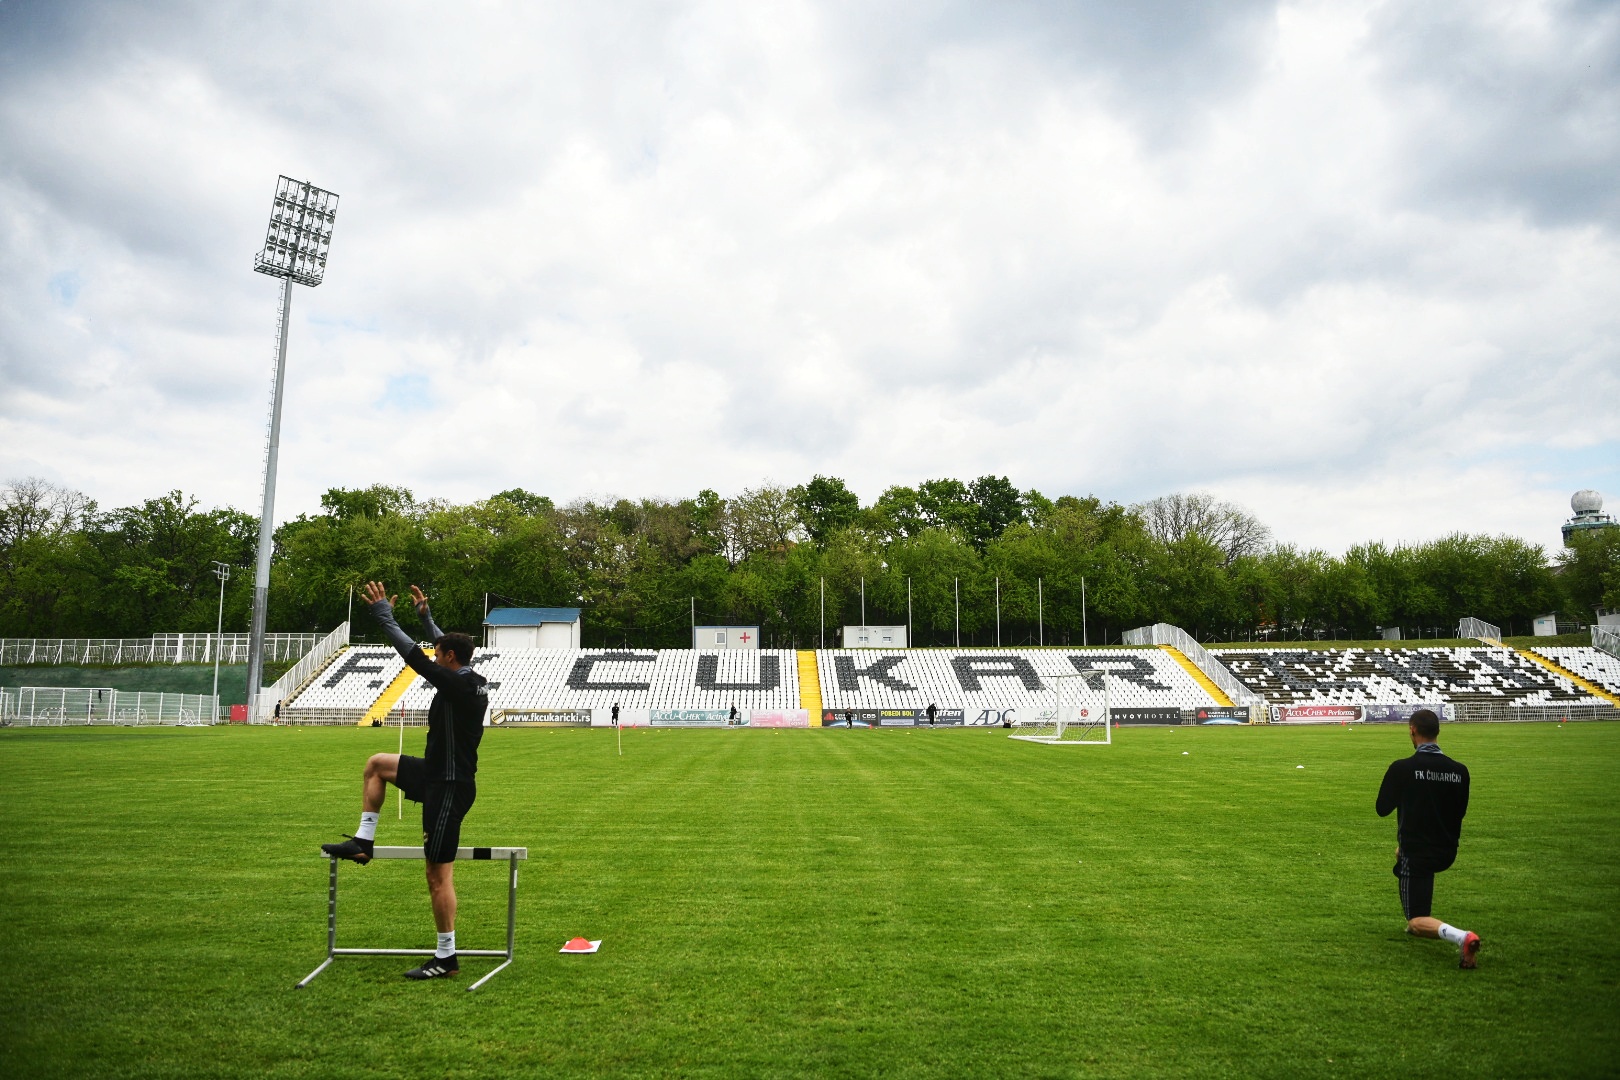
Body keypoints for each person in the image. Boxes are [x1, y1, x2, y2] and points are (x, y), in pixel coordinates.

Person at [321, 581, 490, 980]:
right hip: (434, 772)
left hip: (450, 786)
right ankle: (364, 841)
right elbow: (439, 647)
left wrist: (385, 619)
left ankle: (446, 958)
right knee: (377, 763)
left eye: (440, 652)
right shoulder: (466, 672)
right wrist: (427, 619)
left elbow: (415, 656)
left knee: (437, 875)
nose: (436, 653)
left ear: (449, 658)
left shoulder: (458, 683)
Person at [1375, 708, 1480, 969]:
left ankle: (1462, 937)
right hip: (1447, 850)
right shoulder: (1460, 771)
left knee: (1416, 921)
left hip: (1418, 853)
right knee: (1411, 863)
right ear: (1438, 732)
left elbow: (1382, 808)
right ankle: (1423, 917)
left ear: (1412, 730)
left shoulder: (1403, 768)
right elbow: (1460, 812)